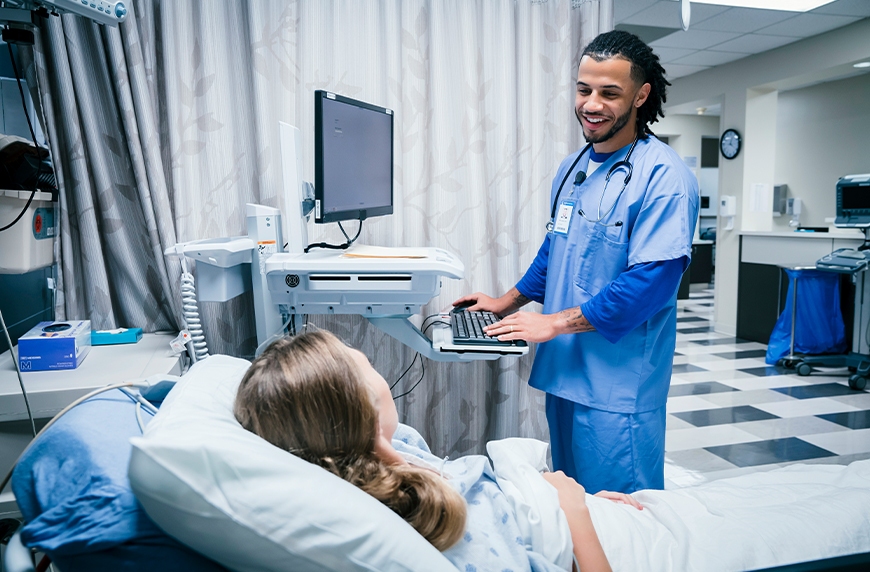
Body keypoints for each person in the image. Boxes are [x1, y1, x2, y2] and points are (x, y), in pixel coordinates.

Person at [454, 30, 700, 495]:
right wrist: (506, 302)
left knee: (622, 515)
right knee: (575, 503)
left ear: (641, 96)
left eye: (610, 93)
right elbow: (558, 250)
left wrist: (553, 325)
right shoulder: (576, 167)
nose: (592, 104)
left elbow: (652, 282)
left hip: (618, 387)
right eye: (584, 89)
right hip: (568, 374)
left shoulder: (664, 177)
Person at [233, 329, 641, 570]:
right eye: (363, 363)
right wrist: (574, 511)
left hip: (570, 509)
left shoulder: (394, 448)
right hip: (582, 539)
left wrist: (570, 499)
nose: (370, 363)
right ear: (367, 407)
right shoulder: (441, 527)